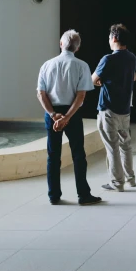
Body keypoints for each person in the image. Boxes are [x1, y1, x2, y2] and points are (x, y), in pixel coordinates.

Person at [37, 30, 102, 206]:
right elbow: (80, 96)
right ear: (78, 47)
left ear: (60, 44)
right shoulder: (82, 66)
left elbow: (41, 94)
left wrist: (53, 115)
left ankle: (54, 195)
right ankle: (83, 194)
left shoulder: (47, 65)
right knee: (78, 154)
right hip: (71, 113)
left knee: (53, 155)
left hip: (52, 113)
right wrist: (66, 117)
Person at [92, 24, 136, 192]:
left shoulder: (108, 59)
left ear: (115, 38)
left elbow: (92, 80)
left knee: (112, 147)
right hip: (125, 110)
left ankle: (117, 183)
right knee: (126, 145)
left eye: (110, 37)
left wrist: (101, 81)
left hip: (109, 110)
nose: (109, 40)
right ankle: (130, 179)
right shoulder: (132, 58)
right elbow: (133, 77)